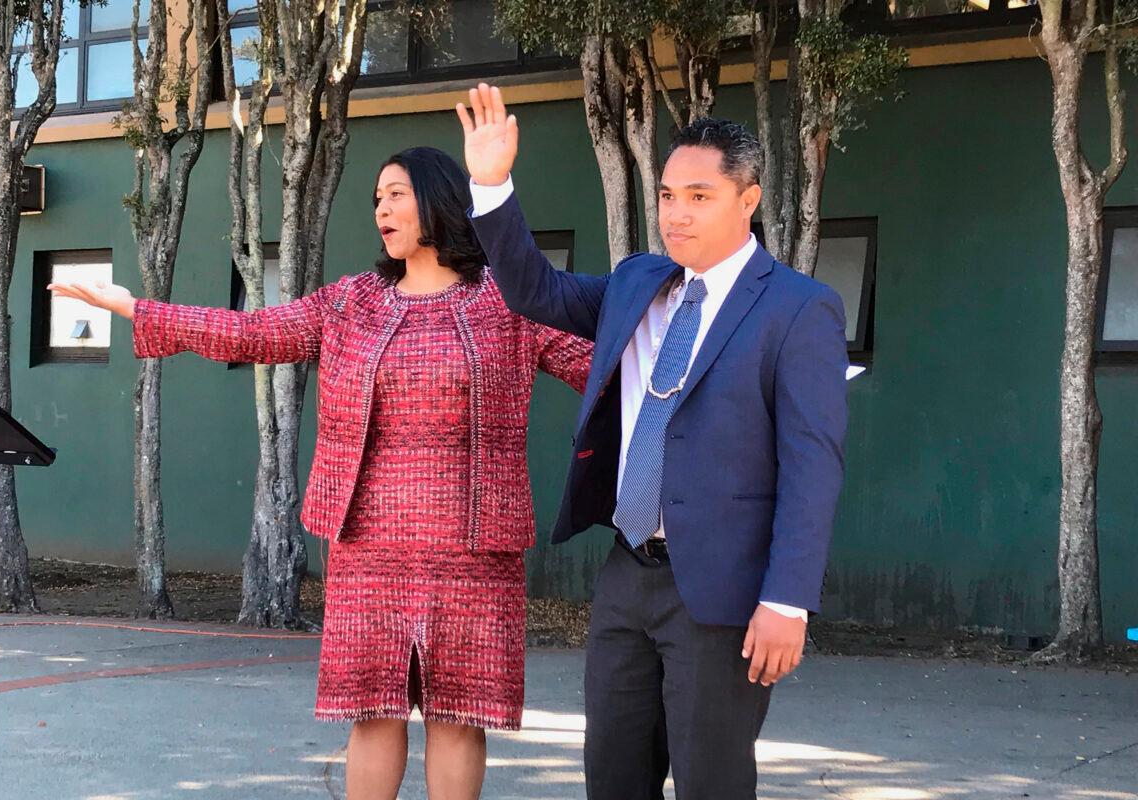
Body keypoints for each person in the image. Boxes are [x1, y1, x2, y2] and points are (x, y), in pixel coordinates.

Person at [49, 146, 593, 800]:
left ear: (440, 201)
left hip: (474, 549)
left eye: (397, 194)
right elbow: (250, 334)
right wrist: (138, 308)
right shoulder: (351, 302)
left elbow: (606, 368)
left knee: (460, 719)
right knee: (371, 713)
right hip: (367, 545)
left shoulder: (509, 302)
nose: (383, 209)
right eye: (377, 199)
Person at [456, 84, 849, 799]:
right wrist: (492, 185)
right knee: (612, 775)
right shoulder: (641, 281)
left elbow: (812, 465)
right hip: (627, 575)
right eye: (668, 194)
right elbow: (532, 291)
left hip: (724, 589)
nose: (676, 212)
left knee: (711, 782)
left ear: (748, 199)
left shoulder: (799, 309)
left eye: (699, 195)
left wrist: (788, 601)